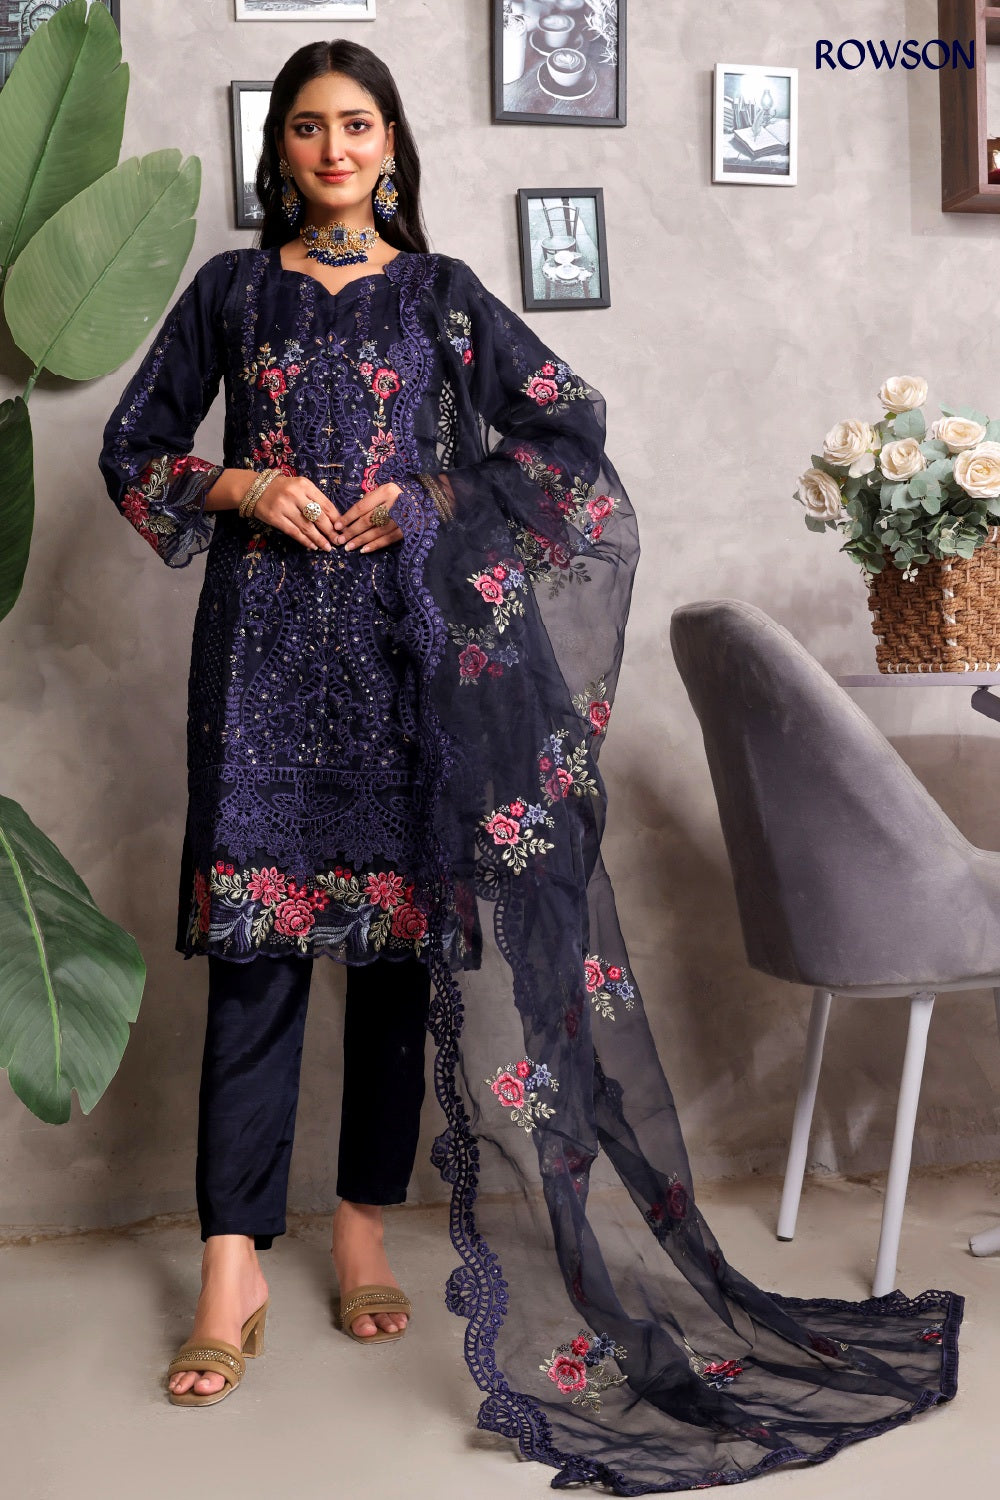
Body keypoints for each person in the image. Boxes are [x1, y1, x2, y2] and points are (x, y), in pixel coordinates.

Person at [98, 35, 961, 1490]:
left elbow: (566, 434)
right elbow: (133, 446)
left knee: (393, 966)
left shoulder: (442, 296)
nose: (330, 149)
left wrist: (427, 497)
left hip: (411, 671)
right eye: (305, 127)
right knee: (254, 964)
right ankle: (229, 1268)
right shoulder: (229, 294)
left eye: (354, 124)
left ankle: (361, 1233)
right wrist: (240, 480)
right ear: (278, 150)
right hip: (261, 669)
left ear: (390, 143)